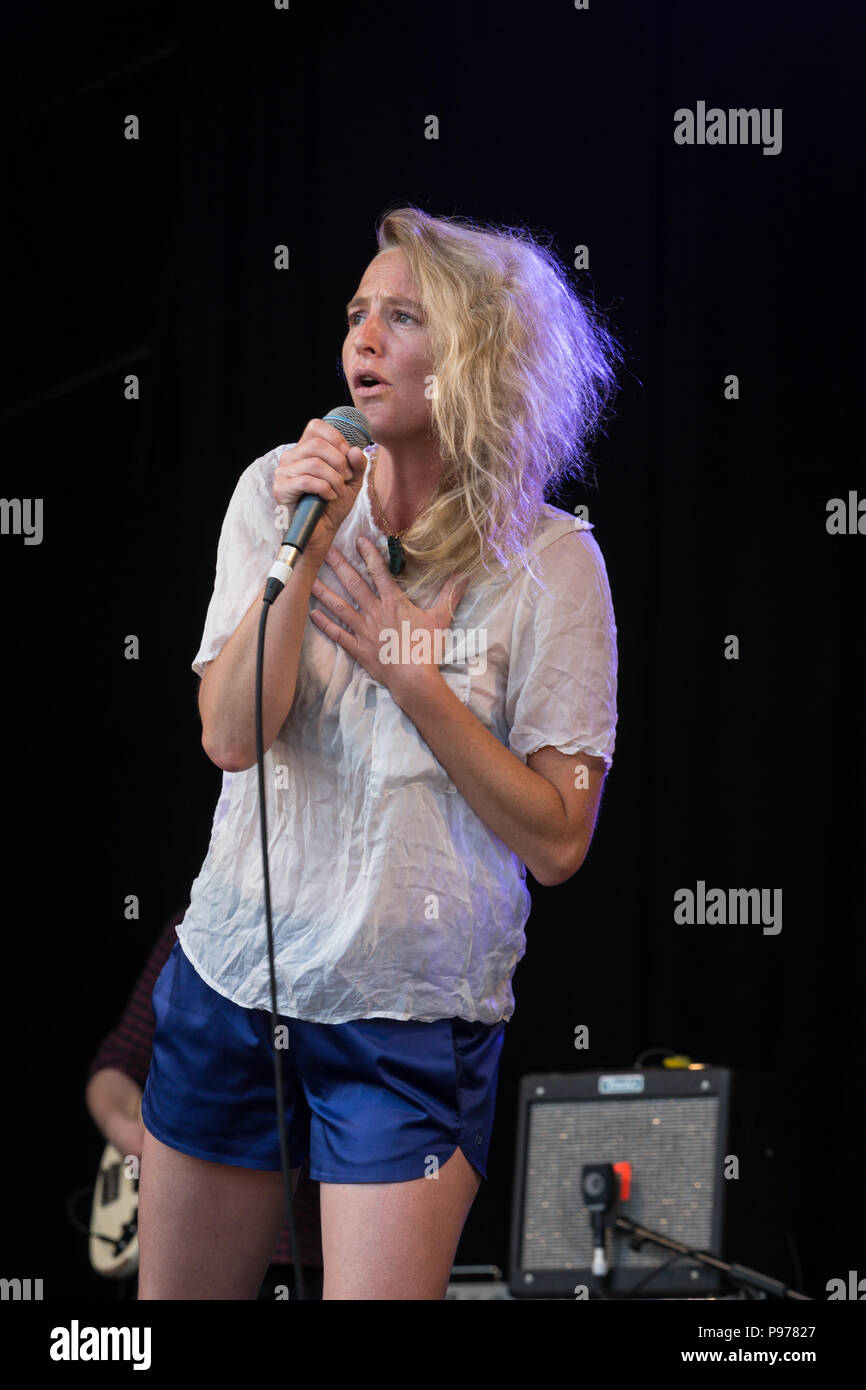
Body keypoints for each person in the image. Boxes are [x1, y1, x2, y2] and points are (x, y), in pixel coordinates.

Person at [137, 204, 621, 1301]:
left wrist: (414, 676)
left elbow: (557, 838)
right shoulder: (279, 493)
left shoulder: (552, 566)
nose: (360, 339)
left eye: (400, 317)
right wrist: (303, 547)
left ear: (477, 360)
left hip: (407, 1014)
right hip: (233, 983)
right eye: (356, 313)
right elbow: (227, 735)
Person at [84, 909, 324, 1298]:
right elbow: (115, 1068)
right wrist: (136, 1139)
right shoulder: (200, 921)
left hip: (313, 1247)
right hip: (189, 1231)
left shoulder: (355, 939)